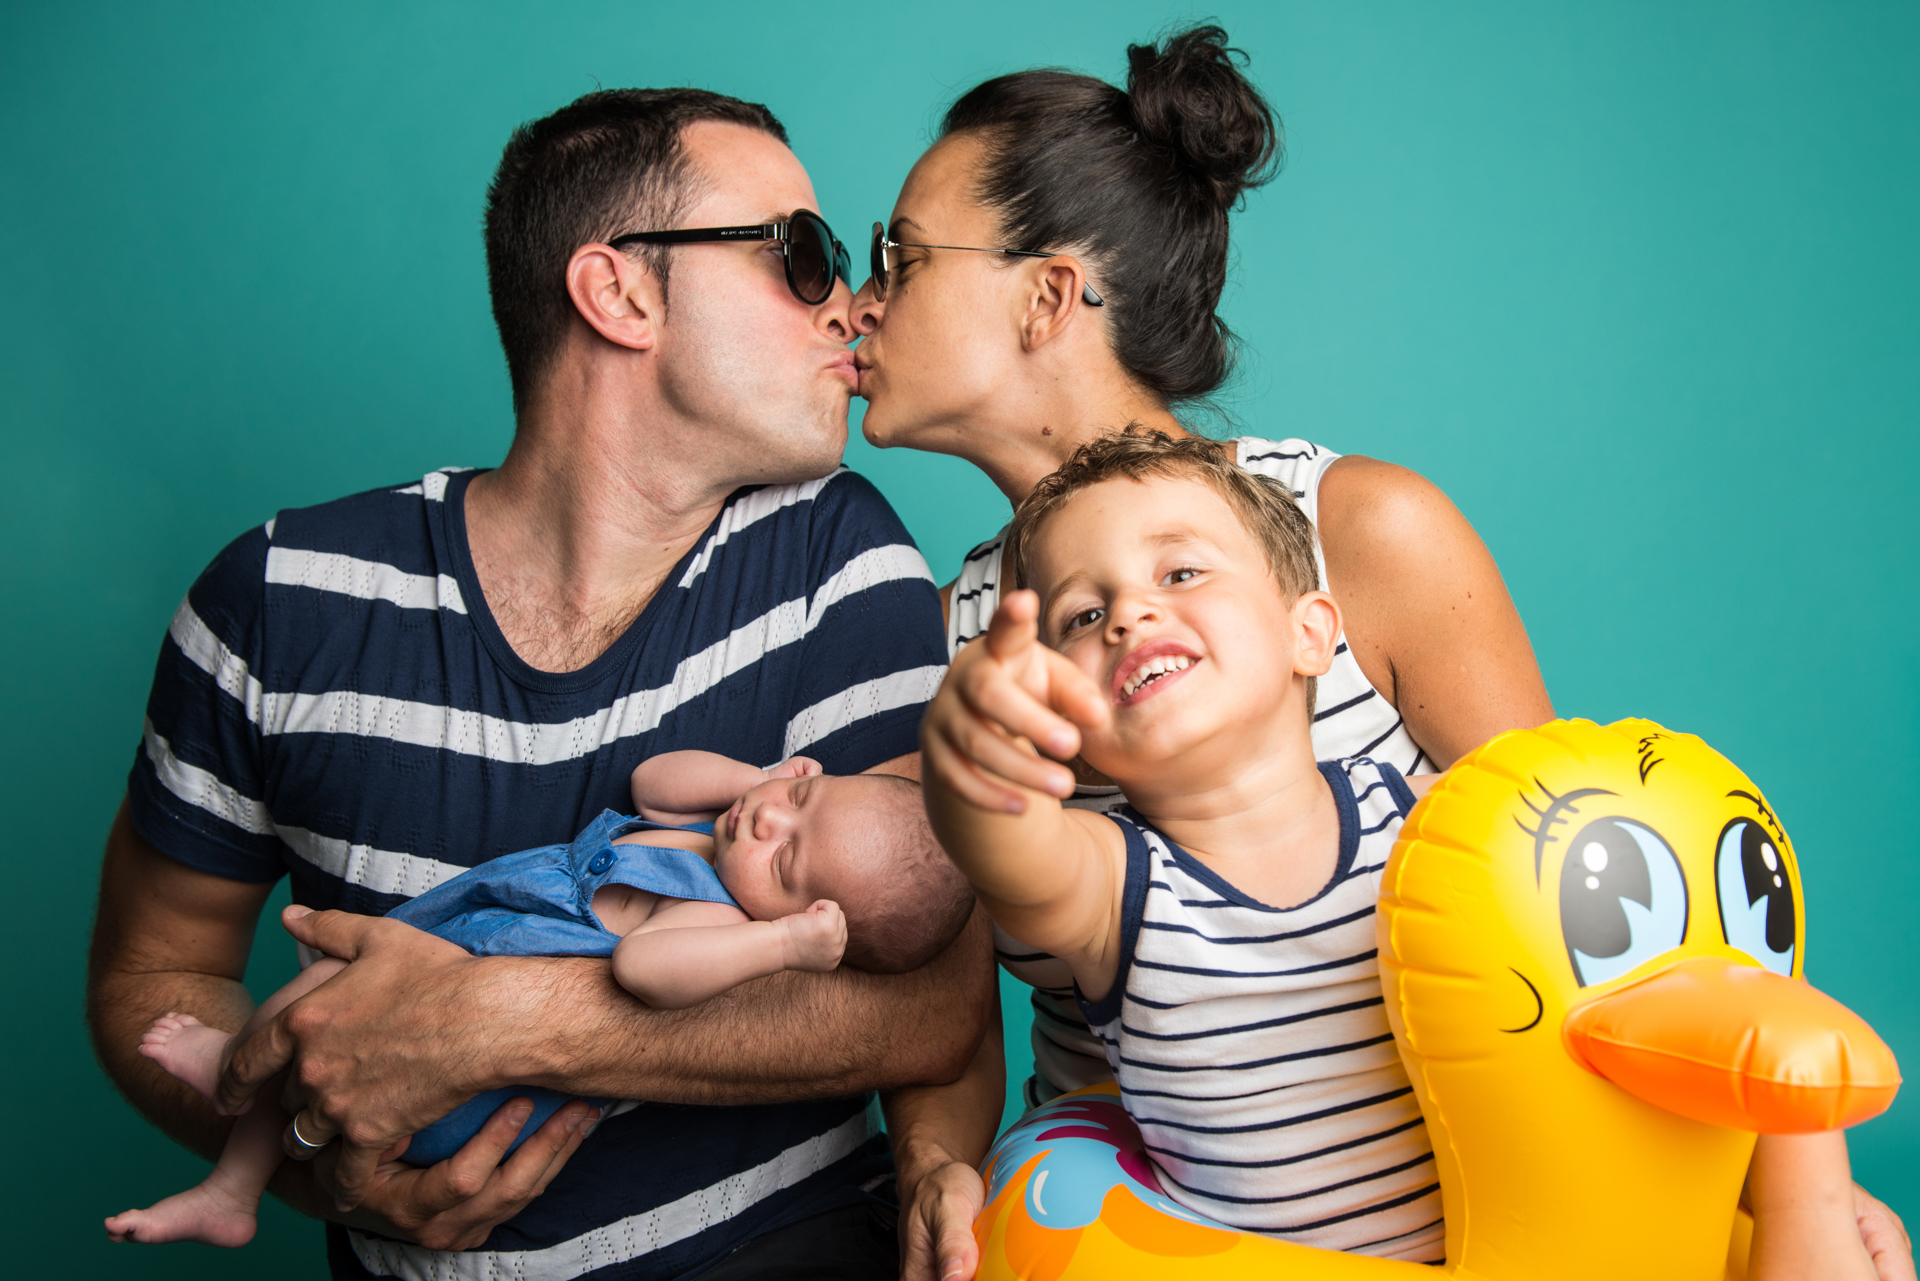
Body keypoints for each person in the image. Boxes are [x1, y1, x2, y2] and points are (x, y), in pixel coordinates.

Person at [850, 24, 1911, 1281]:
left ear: (1046, 296)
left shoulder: (1363, 534)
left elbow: (1584, 898)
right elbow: (949, 990)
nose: (861, 301)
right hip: (1167, 1224)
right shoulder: (952, 643)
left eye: (900, 257)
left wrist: (1782, 1181)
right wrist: (936, 1169)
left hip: (1474, 1196)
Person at [86, 87, 993, 1281]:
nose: (851, 306)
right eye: (800, 257)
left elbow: (929, 1000)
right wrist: (317, 1160)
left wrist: (479, 1026)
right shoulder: (273, 600)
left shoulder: (839, 557)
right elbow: (154, 975)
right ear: (619, 294)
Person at [922, 429, 1888, 1274]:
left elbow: (1657, 978)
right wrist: (974, 758)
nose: (1130, 613)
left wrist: (1793, 1192)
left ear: (1312, 634)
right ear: (1064, 716)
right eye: (1083, 617)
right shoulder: (1113, 886)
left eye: (1180, 573)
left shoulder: (1434, 825)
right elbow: (1007, 844)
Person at [107, 749, 975, 1249]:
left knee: (319, 1012)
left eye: (786, 860)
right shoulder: (715, 830)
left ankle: (224, 1067)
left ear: (803, 918)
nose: (766, 823)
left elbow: (644, 973)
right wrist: (762, 775)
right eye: (799, 799)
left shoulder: (710, 917)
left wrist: (779, 945)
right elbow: (652, 782)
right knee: (318, 1007)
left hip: (468, 1067)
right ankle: (233, 1189)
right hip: (465, 935)